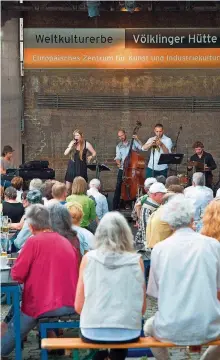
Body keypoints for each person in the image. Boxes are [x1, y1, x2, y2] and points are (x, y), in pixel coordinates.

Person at [144, 195, 220, 360]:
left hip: (170, 327)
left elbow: (155, 293)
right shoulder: (213, 245)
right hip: (208, 326)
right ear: (192, 219)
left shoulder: (159, 249)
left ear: (170, 223)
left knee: (148, 327)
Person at [1, 204, 78, 357]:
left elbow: (17, 274)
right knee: (24, 306)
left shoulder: (33, 242)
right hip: (70, 301)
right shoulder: (65, 241)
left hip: (45, 304)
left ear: (30, 226)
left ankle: (2, 348)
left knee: (21, 316)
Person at [74, 212, 146, 360]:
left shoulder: (88, 259)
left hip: (92, 330)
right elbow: (142, 308)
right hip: (128, 331)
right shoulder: (136, 260)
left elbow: (79, 306)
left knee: (97, 345)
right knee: (120, 343)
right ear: (126, 234)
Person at [113, 129, 142, 210]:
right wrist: (118, 163)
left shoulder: (133, 142)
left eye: (122, 135)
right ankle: (115, 207)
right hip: (123, 168)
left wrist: (137, 139)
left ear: (125, 134)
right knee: (119, 186)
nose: (121, 137)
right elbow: (118, 157)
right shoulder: (118, 146)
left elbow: (142, 148)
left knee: (133, 186)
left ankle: (131, 204)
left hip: (133, 169)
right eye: (119, 136)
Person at [134, 182, 167, 255]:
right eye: (162, 194)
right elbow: (146, 229)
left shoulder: (154, 203)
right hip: (149, 247)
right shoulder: (149, 207)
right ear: (155, 194)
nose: (165, 196)